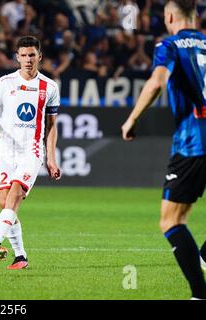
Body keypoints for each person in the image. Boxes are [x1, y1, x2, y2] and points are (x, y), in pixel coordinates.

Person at [121, 0, 206, 299]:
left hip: (194, 141)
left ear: (170, 17)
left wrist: (131, 119)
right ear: (195, 17)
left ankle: (200, 294)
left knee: (171, 220)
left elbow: (157, 82)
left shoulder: (168, 45)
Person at [0, 36, 61, 270]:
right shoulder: (4, 83)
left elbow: (52, 126)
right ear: (17, 58)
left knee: (14, 196)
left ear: (39, 56)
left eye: (32, 55)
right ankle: (20, 257)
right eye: (23, 55)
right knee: (5, 204)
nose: (28, 60)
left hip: (30, 151)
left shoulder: (50, 88)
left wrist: (51, 158)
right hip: (3, 150)